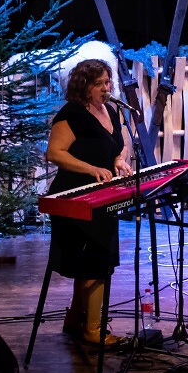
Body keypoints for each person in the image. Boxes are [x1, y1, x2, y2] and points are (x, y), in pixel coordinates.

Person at [44, 58, 133, 347]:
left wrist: (119, 159)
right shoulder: (72, 114)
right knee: (94, 261)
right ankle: (93, 329)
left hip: (102, 197)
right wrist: (91, 168)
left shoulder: (111, 110)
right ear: (84, 86)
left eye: (108, 82)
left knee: (95, 259)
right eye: (98, 84)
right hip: (75, 196)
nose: (106, 88)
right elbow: (54, 153)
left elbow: (122, 143)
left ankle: (76, 317)